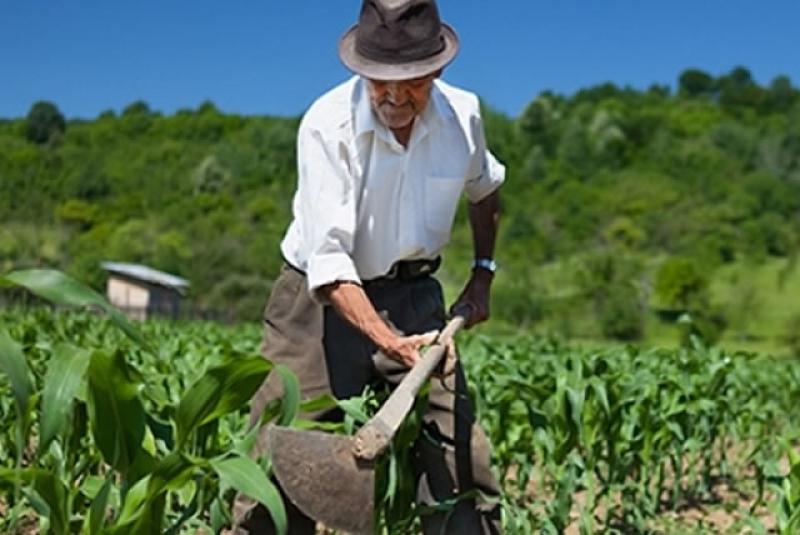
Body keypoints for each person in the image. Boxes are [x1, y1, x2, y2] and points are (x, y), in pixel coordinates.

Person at [235, 0, 505, 533]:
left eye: (412, 82)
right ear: (361, 68)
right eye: (381, 81)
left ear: (437, 70)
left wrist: (482, 272)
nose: (395, 97)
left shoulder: (463, 116)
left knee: (456, 451)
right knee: (281, 454)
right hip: (313, 304)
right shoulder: (327, 125)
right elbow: (330, 264)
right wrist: (389, 341)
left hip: (414, 296)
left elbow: (485, 188)